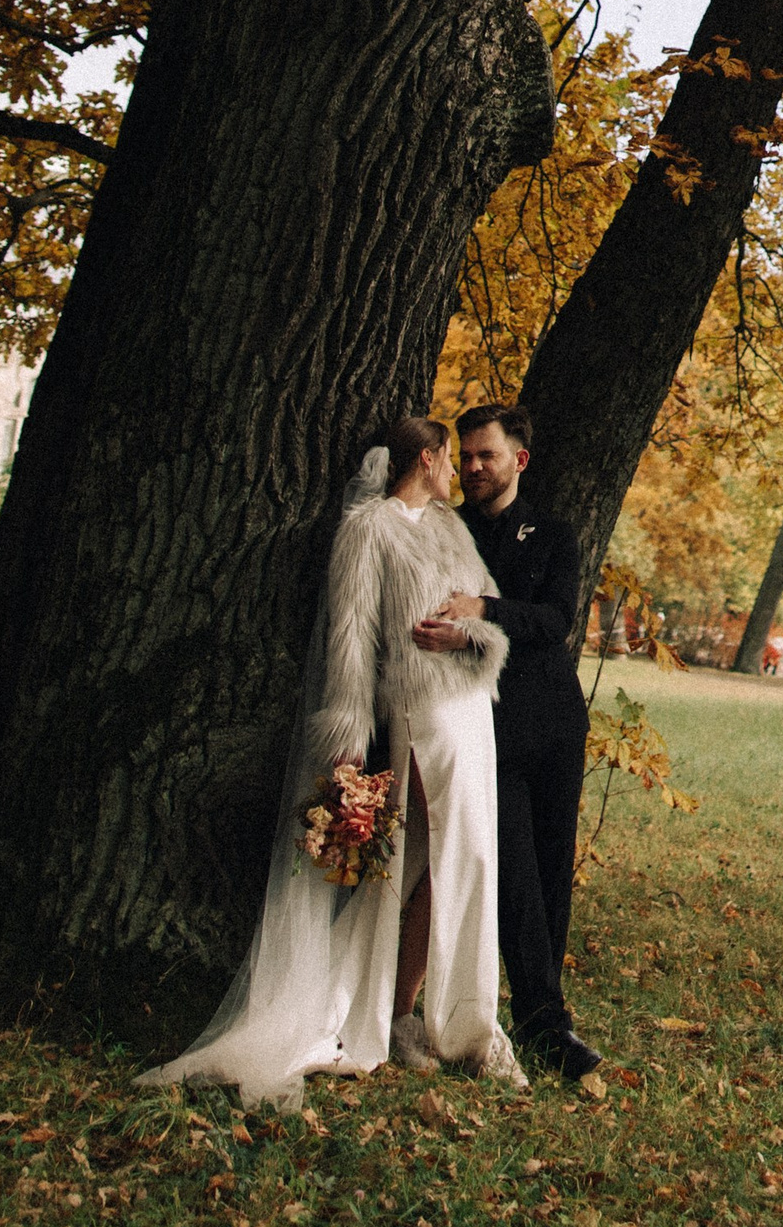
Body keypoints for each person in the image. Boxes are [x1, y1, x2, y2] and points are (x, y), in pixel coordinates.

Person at [145, 416, 514, 1107]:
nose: (455, 472)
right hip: (423, 709)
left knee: (451, 857)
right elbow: (350, 637)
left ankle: (430, 1014)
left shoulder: (450, 527)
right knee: (439, 854)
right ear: (426, 458)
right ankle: (403, 1014)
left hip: (471, 707)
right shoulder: (368, 529)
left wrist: (468, 631)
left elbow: (485, 609)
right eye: (447, 460)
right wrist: (347, 732)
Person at [432, 403, 600, 1083]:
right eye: (467, 457)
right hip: (487, 728)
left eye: (487, 456)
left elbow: (556, 620)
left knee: (553, 873)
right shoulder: (446, 532)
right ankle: (546, 1022)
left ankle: (541, 1015)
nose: (473, 468)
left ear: (518, 461)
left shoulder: (554, 535)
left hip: (555, 723)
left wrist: (486, 610)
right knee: (515, 875)